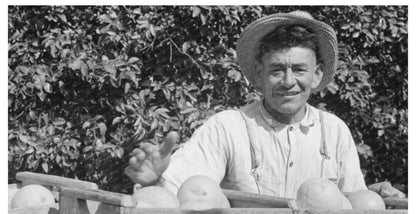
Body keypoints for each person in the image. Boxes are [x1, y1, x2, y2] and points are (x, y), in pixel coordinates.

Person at [124, 11, 405, 199]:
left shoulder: (335, 132)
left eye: (299, 69)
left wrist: (373, 196)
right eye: (276, 70)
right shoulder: (228, 128)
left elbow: (351, 206)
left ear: (317, 74)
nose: (288, 81)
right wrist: (153, 180)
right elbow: (180, 189)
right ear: (259, 74)